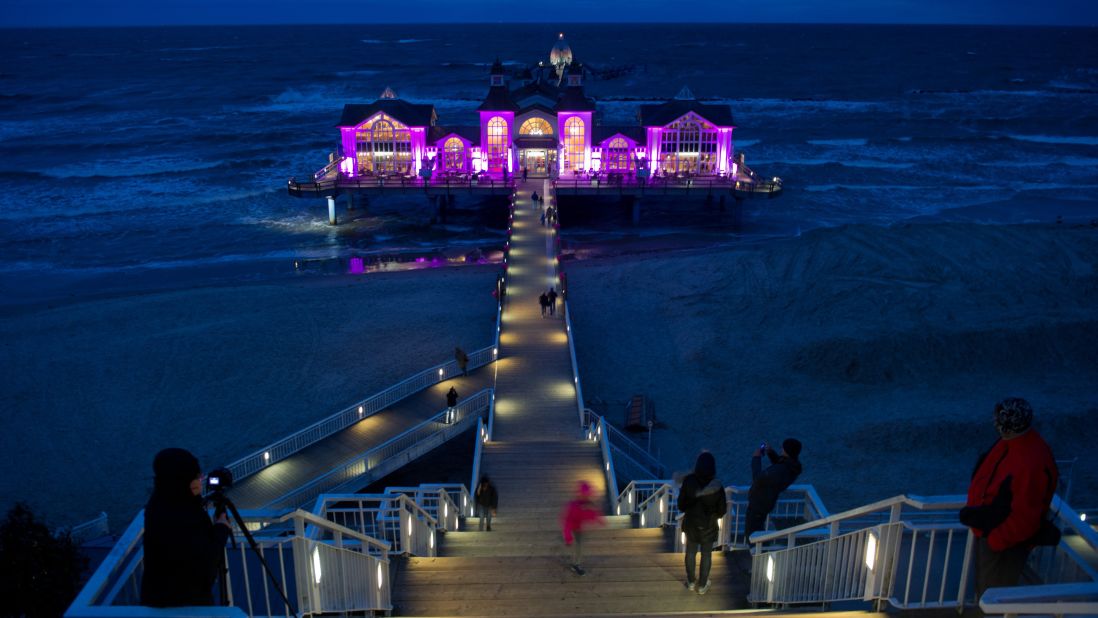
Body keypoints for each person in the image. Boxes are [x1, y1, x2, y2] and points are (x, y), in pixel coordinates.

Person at [960, 398, 1058, 600]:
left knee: (994, 598)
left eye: (998, 418)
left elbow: (1025, 517)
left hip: (1004, 542)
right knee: (987, 592)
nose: (994, 422)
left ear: (1007, 423)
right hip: (991, 532)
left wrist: (996, 541)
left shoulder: (1030, 461)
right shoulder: (1012, 443)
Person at [141, 448, 231, 607]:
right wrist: (221, 529)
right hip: (188, 603)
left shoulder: (157, 504)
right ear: (185, 482)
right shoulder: (187, 516)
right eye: (197, 476)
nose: (201, 479)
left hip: (156, 600)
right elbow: (206, 568)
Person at [679, 451, 727, 595]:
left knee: (691, 553)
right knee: (706, 555)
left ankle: (691, 582)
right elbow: (722, 510)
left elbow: (681, 505)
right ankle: (702, 585)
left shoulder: (689, 481)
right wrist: (713, 515)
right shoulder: (717, 486)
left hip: (692, 524)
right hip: (709, 525)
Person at [745, 438, 803, 542]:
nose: (781, 450)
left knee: (751, 535)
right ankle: (759, 550)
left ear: (786, 451)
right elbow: (781, 464)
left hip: (758, 504)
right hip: (767, 501)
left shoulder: (780, 470)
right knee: (757, 530)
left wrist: (756, 458)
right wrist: (771, 452)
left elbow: (758, 478)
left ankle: (757, 554)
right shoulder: (792, 466)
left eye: (783, 448)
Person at [561, 480, 605, 576]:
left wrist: (598, 519)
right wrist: (568, 537)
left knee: (579, 545)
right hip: (574, 528)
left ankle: (576, 563)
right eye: (586, 494)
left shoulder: (586, 503)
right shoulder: (574, 506)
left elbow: (591, 513)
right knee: (578, 547)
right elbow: (567, 523)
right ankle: (576, 565)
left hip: (579, 528)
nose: (587, 497)